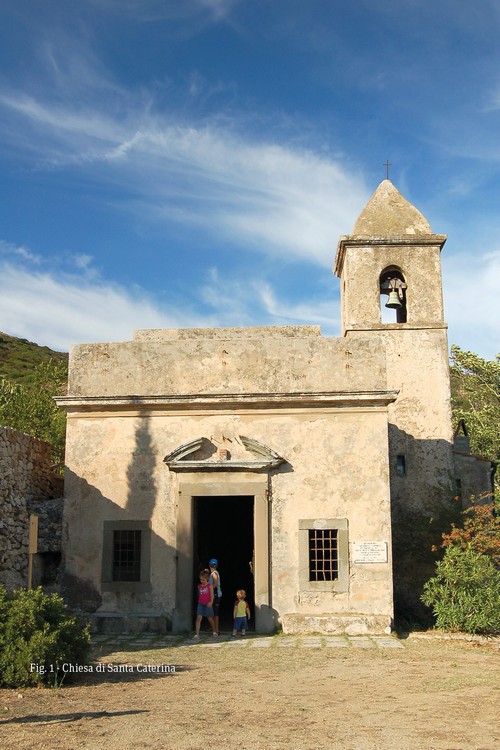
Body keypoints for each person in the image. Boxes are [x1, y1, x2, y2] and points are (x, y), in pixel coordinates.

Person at [194, 570, 217, 638]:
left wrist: (211, 602)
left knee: (210, 618)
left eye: (203, 580)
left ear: (207, 579)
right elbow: (199, 595)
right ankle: (197, 634)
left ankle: (214, 631)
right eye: (201, 580)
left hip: (208, 604)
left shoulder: (210, 586)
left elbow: (212, 595)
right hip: (201, 604)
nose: (202, 581)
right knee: (199, 618)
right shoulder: (199, 586)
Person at [208, 558, 222, 635]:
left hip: (215, 595)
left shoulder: (214, 574)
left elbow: (215, 584)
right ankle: (213, 628)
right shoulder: (213, 573)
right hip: (213, 594)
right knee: (212, 612)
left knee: (215, 613)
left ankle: (216, 629)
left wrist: (207, 588)